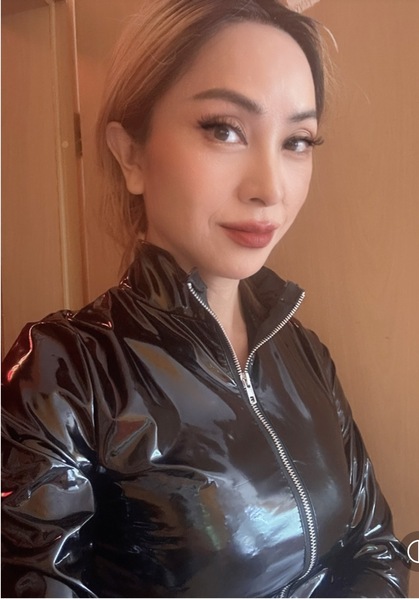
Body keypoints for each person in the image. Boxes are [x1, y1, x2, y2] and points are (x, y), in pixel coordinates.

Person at [1, 0, 410, 597]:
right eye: (224, 129)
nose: (270, 188)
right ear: (131, 153)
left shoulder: (303, 352)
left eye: (297, 140)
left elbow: (373, 546)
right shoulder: (63, 376)